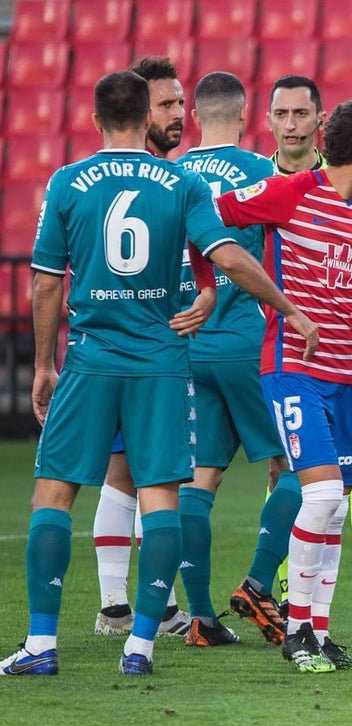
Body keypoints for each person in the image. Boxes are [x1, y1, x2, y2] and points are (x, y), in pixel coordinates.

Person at [1, 69, 316, 676]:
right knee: (163, 496)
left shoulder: (67, 182)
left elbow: (45, 282)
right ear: (146, 117)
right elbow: (226, 255)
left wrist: (44, 364)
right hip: (164, 360)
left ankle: (42, 643)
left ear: (96, 120)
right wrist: (287, 310)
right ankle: (140, 645)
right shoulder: (177, 181)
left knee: (55, 493)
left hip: (91, 356)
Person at [208, 96, 352, 672]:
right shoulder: (290, 191)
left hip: (349, 379)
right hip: (292, 370)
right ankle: (295, 633)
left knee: (336, 508)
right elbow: (211, 215)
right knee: (324, 495)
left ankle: (319, 633)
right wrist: (205, 283)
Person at [173, 71, 303, 648]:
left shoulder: (170, 177)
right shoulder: (261, 171)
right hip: (249, 342)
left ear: (195, 116)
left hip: (187, 342)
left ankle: (200, 618)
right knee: (300, 469)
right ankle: (256, 584)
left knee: (200, 481)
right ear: (249, 115)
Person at [92, 56, 195, 638]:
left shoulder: (173, 180)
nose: (178, 115)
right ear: (136, 112)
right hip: (138, 349)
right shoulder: (147, 184)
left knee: (137, 469)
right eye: (166, 105)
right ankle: (119, 605)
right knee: (136, 470)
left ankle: (137, 604)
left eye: (181, 103)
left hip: (155, 345)